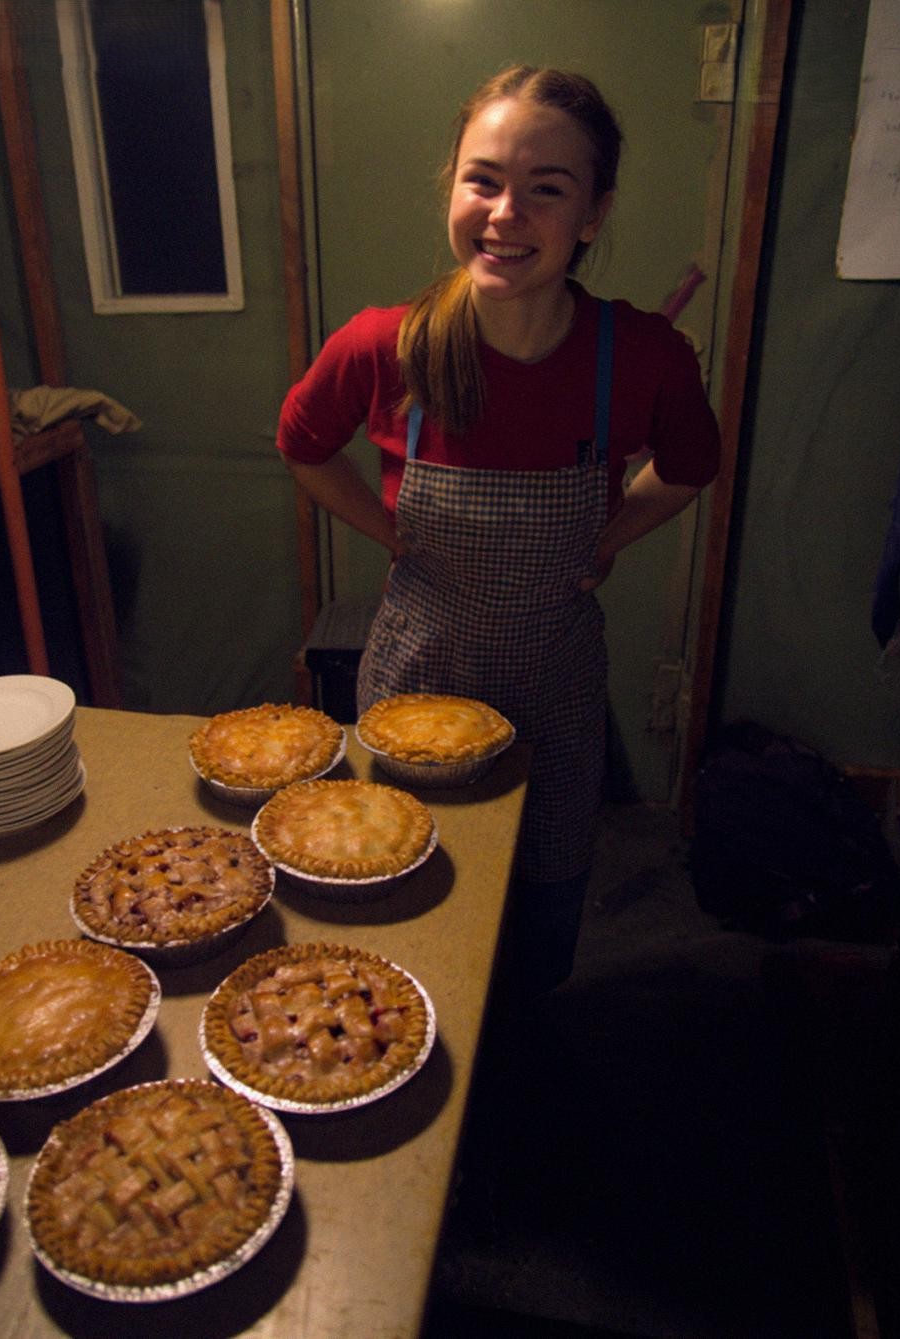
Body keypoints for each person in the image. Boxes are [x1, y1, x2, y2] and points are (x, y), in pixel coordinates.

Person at [276, 65, 720, 989]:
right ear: (452, 187)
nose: (505, 212)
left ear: (592, 214)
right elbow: (303, 446)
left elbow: (686, 470)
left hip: (554, 690)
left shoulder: (642, 356)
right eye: (483, 179)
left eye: (545, 189)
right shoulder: (380, 345)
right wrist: (391, 535)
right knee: (408, 894)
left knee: (541, 908)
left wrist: (602, 536)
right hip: (414, 679)